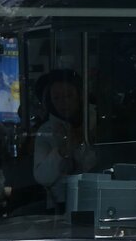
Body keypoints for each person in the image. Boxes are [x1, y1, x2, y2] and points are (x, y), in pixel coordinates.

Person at [33, 70, 95, 209]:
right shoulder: (47, 130)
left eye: (69, 95)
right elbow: (42, 177)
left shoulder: (98, 121)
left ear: (80, 95)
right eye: (57, 98)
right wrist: (62, 151)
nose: (63, 102)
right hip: (60, 204)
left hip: (98, 196)